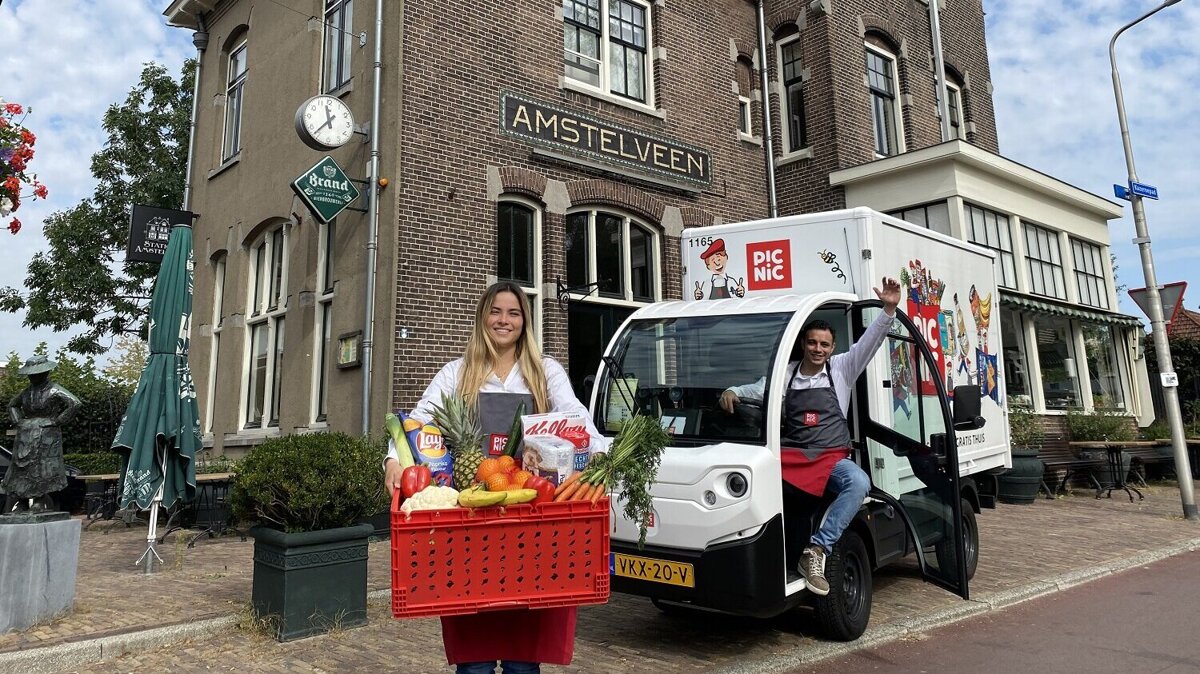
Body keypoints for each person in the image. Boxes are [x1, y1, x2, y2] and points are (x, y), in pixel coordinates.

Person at [384, 281, 607, 674]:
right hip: (471, 526)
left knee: (524, 659)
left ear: (525, 321)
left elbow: (578, 420)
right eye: (496, 311)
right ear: (482, 317)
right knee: (475, 660)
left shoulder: (544, 371)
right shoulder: (457, 373)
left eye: (514, 313)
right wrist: (392, 461)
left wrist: (603, 459)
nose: (504, 320)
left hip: (532, 524)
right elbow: (418, 421)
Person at [717, 277, 900, 596]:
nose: (818, 349)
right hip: (793, 457)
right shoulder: (784, 374)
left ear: (832, 348)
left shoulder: (842, 368)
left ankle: (816, 551)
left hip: (831, 460)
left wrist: (888, 309)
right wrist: (731, 390)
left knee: (858, 483)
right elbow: (754, 390)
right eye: (813, 343)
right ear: (804, 343)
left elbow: (871, 341)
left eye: (825, 345)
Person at [3, 355, 82, 514]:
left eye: (36, 374)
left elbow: (74, 403)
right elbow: (12, 405)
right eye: (30, 374)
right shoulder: (26, 392)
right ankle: (22, 501)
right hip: (26, 434)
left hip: (47, 434)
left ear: (44, 373)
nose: (32, 377)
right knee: (21, 467)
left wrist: (57, 421)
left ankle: (39, 500)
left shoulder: (54, 389)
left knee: (42, 467)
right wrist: (19, 421)